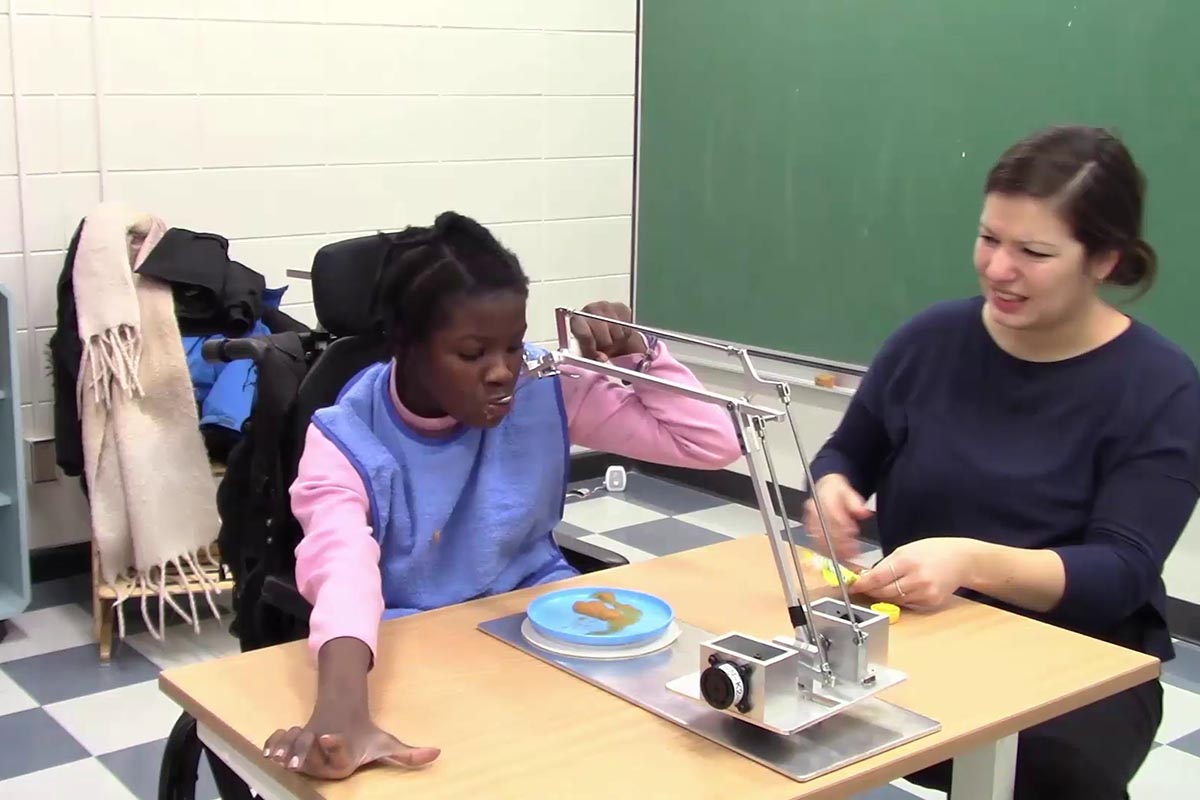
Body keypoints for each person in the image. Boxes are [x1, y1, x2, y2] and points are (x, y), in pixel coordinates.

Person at [261, 211, 742, 779]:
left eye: (512, 346)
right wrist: (342, 714)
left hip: (539, 622)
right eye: (472, 354)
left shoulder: (544, 388)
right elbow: (341, 571)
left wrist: (641, 356)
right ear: (404, 347)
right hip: (414, 640)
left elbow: (713, 443)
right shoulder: (347, 436)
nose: (502, 372)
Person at [805, 124, 1200, 799]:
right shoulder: (930, 340)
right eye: (989, 238)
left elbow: (1121, 573)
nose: (997, 268)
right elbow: (848, 452)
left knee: (1048, 779)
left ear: (1103, 260)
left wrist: (970, 561)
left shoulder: (1161, 387)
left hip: (1081, 666)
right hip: (919, 638)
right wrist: (833, 486)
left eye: (1033, 251)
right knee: (754, 716)